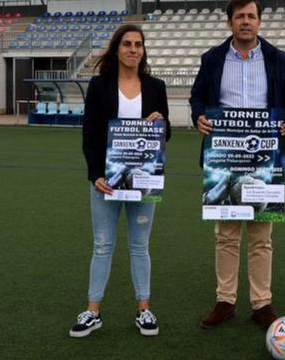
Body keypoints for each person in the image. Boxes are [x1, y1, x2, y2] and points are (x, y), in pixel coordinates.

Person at [189, 0, 285, 330]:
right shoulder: (212, 58)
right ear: (230, 22)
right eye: (240, 16)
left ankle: (261, 303)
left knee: (261, 235)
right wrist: (197, 117)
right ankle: (225, 300)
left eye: (251, 16)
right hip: (224, 155)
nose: (246, 21)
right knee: (226, 234)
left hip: (265, 156)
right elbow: (197, 97)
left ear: (259, 21)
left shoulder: (277, 58)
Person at [70, 24, 171, 338]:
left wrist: (161, 123)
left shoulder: (156, 86)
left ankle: (144, 310)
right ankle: (93, 311)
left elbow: (163, 135)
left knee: (140, 247)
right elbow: (89, 134)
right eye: (127, 44)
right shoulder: (100, 86)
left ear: (144, 50)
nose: (133, 49)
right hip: (106, 181)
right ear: (116, 49)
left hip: (142, 180)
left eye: (138, 44)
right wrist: (95, 174)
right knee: (102, 246)